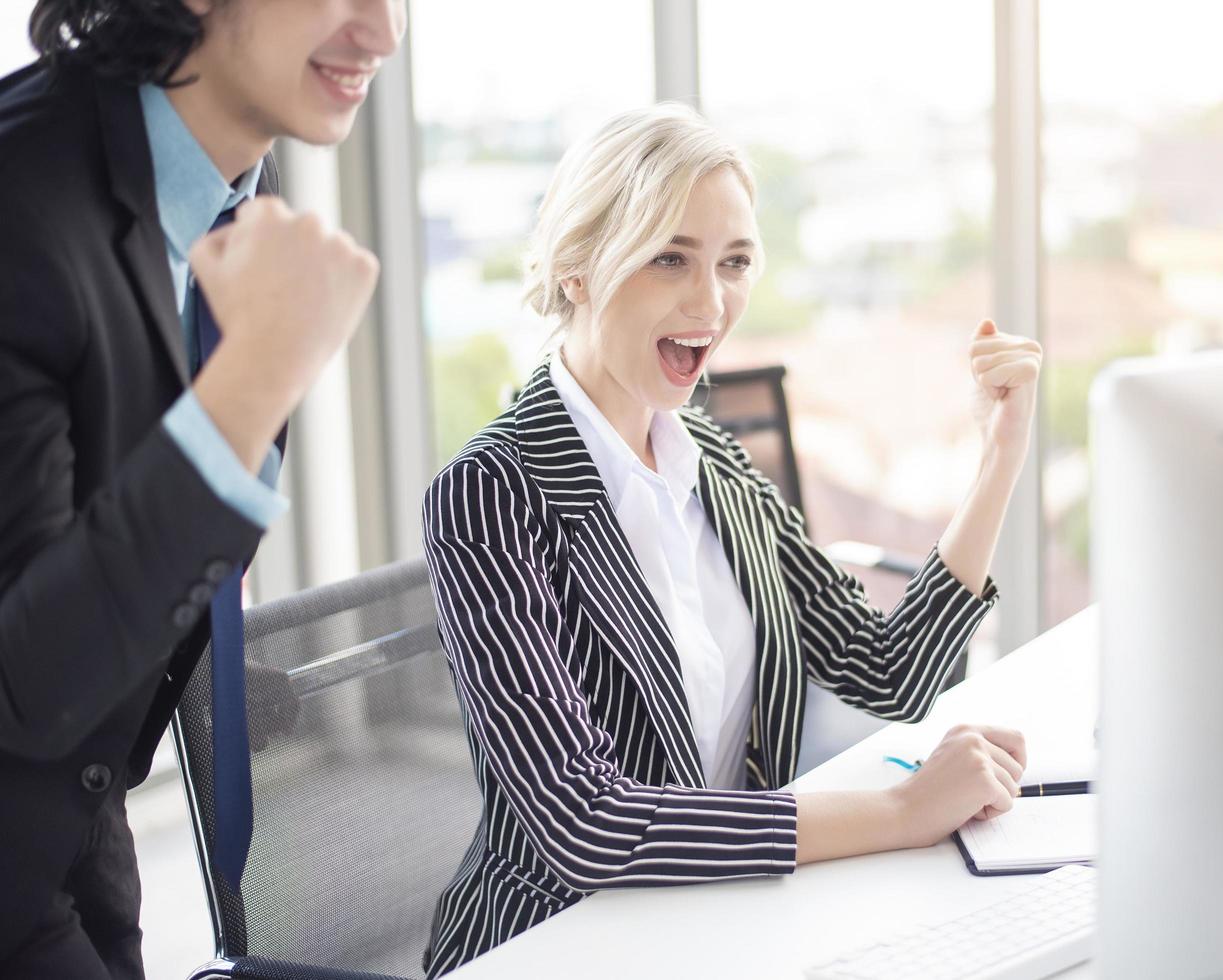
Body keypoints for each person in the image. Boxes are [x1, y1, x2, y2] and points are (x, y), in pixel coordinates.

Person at [420, 102, 1045, 977]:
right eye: (671, 258)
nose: (711, 305)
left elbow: (886, 671)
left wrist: (1000, 458)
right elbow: (582, 822)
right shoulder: (492, 490)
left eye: (735, 263)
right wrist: (903, 811)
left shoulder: (710, 455)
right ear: (576, 267)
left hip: (722, 918)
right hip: (558, 942)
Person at [0, 1, 402, 975]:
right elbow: (22, 682)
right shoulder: (17, 206)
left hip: (78, 835)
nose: (382, 34)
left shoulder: (234, 194)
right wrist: (255, 378)